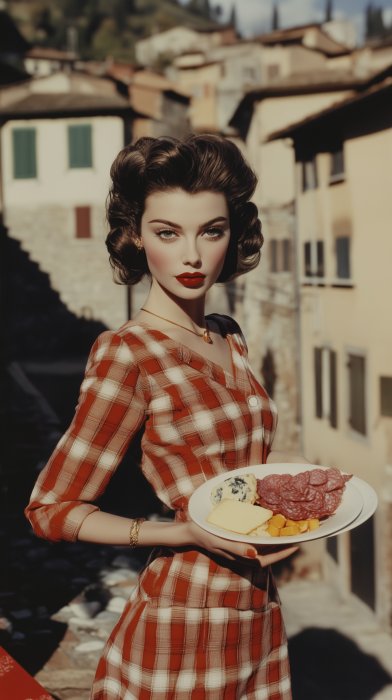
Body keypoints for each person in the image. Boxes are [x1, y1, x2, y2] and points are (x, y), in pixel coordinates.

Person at [26, 135, 309, 700]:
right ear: (135, 235)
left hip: (258, 619)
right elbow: (51, 510)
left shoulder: (228, 335)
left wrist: (292, 491)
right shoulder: (127, 353)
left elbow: (236, 464)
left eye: (212, 231)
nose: (192, 256)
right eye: (167, 233)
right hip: (181, 622)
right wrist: (180, 530)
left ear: (233, 234)